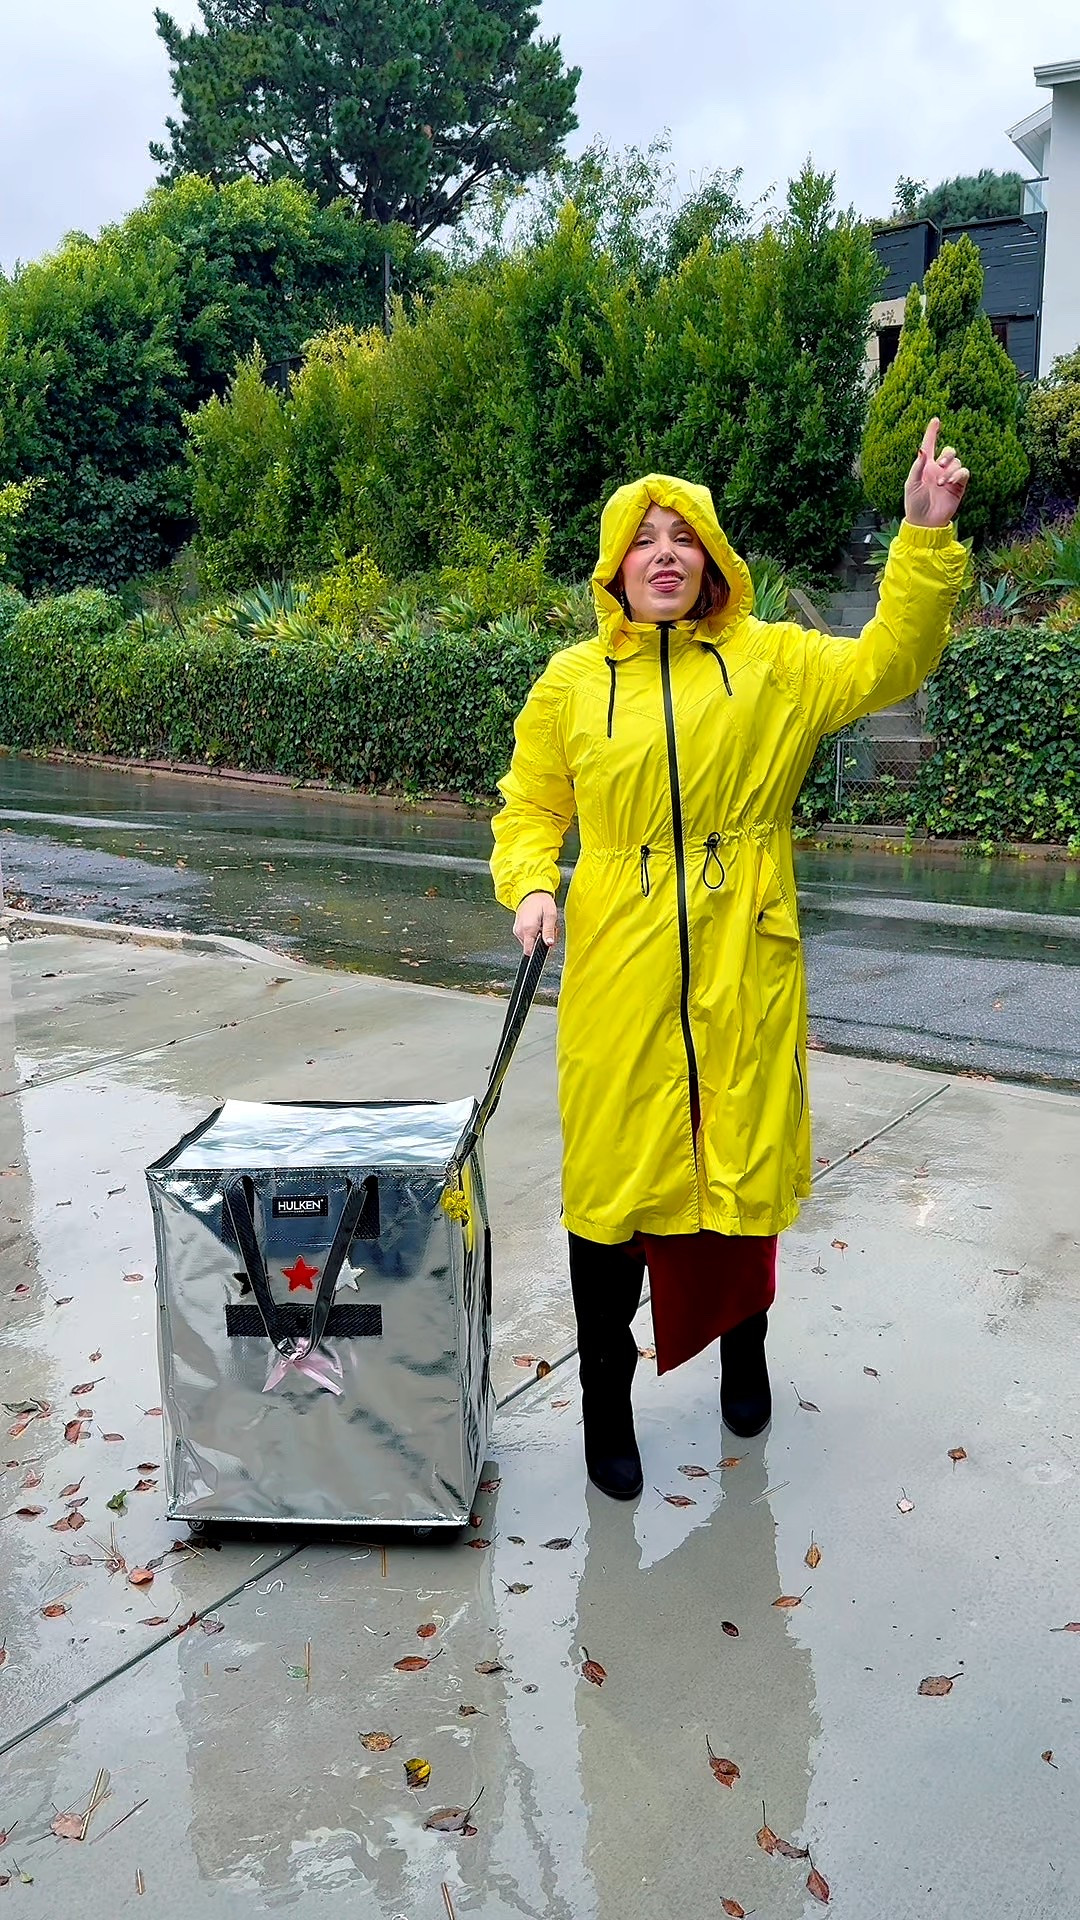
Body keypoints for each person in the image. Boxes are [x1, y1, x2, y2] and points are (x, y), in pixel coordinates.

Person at [490, 421, 969, 1499]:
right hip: (617, 955)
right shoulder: (570, 682)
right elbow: (529, 803)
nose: (665, 553)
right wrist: (528, 882)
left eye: (684, 536)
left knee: (738, 1168)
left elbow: (893, 658)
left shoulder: (776, 664)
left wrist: (923, 538)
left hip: (744, 955)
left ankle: (743, 1348)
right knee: (612, 1185)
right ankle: (606, 1398)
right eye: (643, 539)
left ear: (712, 558)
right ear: (615, 567)